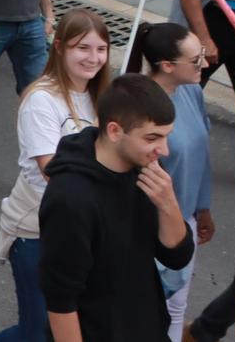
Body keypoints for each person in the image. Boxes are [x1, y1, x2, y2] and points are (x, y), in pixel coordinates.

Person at [36, 75, 194, 342]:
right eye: (153, 137)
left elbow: (177, 257)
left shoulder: (147, 170)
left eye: (167, 137)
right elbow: (61, 300)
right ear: (114, 131)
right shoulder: (71, 198)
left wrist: (168, 204)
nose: (164, 150)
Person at [0, 8, 113, 341]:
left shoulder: (104, 98)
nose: (93, 57)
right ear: (59, 47)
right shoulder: (41, 100)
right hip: (37, 231)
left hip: (82, 232)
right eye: (82, 48)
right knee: (38, 332)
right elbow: (52, 170)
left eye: (101, 49)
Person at [124, 22, 214, 339]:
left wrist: (202, 208)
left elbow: (201, 154)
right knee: (137, 309)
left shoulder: (192, 92)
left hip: (182, 219)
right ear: (167, 66)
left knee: (176, 306)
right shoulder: (136, 104)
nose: (205, 62)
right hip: (145, 225)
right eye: (195, 58)